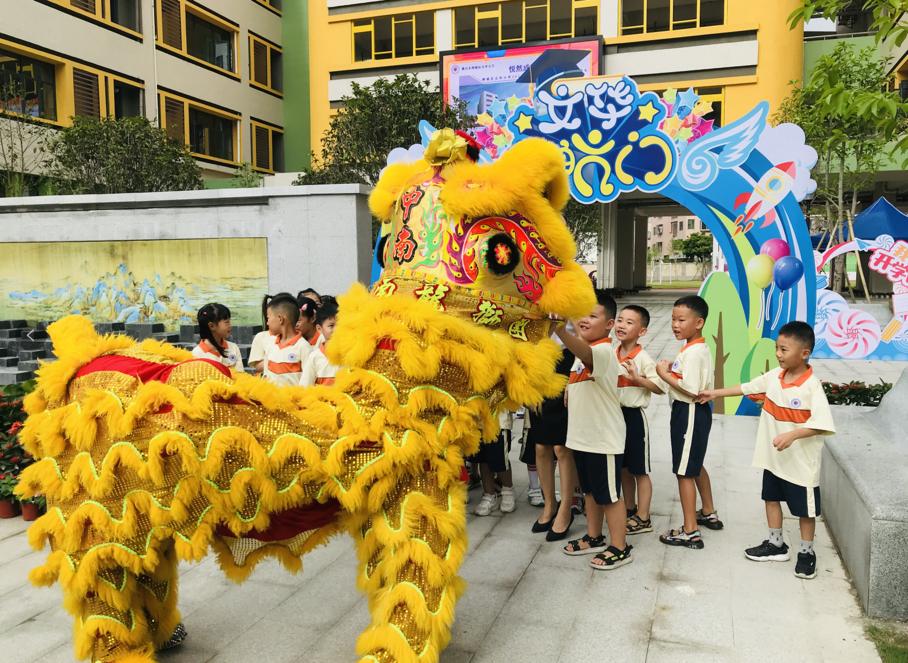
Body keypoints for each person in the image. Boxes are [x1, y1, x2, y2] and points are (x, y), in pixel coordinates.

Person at [698, 321, 834, 579]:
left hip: (801, 465)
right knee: (770, 499)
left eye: (784, 349)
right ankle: (776, 544)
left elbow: (822, 424)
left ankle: (806, 553)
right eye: (777, 348)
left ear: (804, 353)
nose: (778, 354)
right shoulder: (775, 377)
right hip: (774, 460)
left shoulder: (812, 387)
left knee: (805, 512)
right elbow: (746, 387)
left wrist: (793, 435)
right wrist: (713, 393)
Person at [555, 290, 633, 570]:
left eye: (592, 315)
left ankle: (620, 546)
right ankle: (594, 536)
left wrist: (560, 330)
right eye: (581, 314)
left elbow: (587, 355)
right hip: (583, 439)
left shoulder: (601, 350)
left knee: (609, 496)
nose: (584, 320)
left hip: (603, 441)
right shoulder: (582, 354)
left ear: (609, 325)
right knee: (589, 491)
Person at [655, 295, 717, 549]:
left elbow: (691, 390)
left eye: (681, 320)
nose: (675, 325)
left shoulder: (693, 352)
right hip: (695, 414)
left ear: (699, 322)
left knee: (684, 472)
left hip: (689, 412)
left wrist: (664, 374)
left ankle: (690, 530)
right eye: (673, 319)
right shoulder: (693, 348)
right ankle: (709, 511)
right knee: (694, 463)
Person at [614, 305, 663, 535]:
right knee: (623, 468)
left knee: (639, 470)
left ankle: (643, 517)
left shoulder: (643, 358)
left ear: (642, 331)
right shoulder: (612, 352)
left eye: (629, 322)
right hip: (613, 417)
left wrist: (637, 379)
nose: (622, 325)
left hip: (633, 418)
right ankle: (629, 508)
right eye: (620, 320)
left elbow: (659, 387)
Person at [529, 344, 579, 539]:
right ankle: (550, 504)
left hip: (569, 361)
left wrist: (576, 376)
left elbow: (586, 336)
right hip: (538, 361)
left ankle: (566, 507)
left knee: (561, 447)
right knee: (541, 446)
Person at [472, 410, 516, 516]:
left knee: (500, 457)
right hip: (477, 419)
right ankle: (489, 494)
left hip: (499, 420)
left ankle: (508, 490)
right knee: (483, 458)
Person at [262, 293, 311, 386]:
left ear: (280, 319)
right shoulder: (270, 343)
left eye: (268, 318)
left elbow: (307, 384)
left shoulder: (303, 347)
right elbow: (266, 376)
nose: (267, 323)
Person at [192, 303, 244, 372]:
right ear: (211, 326)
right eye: (227, 322)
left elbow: (241, 376)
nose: (230, 325)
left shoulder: (234, 348)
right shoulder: (196, 354)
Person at [300, 296, 339, 387]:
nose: (337, 329)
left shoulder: (350, 355)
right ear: (319, 329)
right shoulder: (315, 357)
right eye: (331, 325)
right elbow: (305, 387)